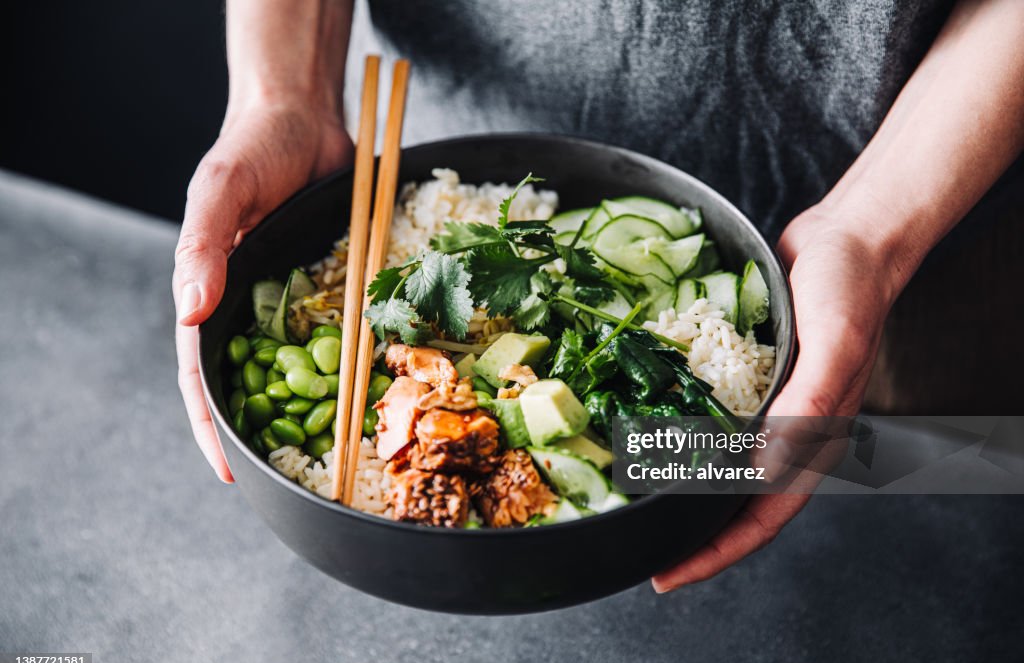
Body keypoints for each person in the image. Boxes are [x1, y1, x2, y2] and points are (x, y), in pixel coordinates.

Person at [172, 0, 1024, 592]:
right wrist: (278, 94)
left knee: (950, 544)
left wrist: (871, 235)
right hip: (445, 192)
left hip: (916, 227)